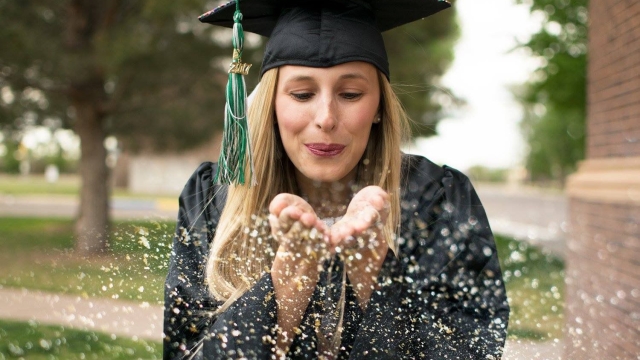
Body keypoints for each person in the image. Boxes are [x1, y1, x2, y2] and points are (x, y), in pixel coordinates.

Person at [164, 1, 510, 359]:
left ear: (378, 107)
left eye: (350, 94)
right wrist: (283, 291)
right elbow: (184, 350)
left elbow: (473, 350)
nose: (326, 118)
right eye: (302, 94)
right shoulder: (215, 199)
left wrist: (374, 273)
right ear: (272, 105)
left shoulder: (435, 200)